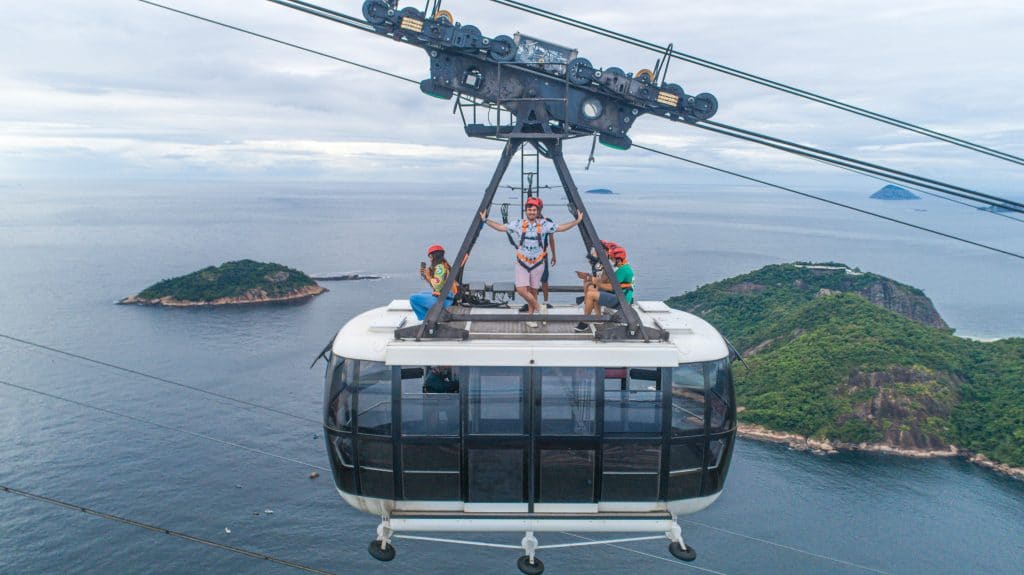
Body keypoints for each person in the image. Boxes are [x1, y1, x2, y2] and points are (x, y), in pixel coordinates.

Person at [480, 197, 582, 327]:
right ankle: (540, 309)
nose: (532, 212)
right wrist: (485, 220)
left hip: (538, 263)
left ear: (538, 211)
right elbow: (501, 227)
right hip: (522, 262)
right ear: (526, 210)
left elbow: (561, 228)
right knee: (522, 290)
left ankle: (531, 317)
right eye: (529, 209)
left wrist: (577, 221)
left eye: (534, 210)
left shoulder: (545, 224)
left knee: (533, 291)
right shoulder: (518, 224)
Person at [575, 246, 634, 332]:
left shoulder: (623, 270)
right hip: (619, 294)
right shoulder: (623, 267)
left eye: (613, 258)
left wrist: (596, 282)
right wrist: (591, 278)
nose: (611, 260)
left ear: (618, 259)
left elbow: (611, 286)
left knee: (591, 294)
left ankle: (584, 321)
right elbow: (608, 281)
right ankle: (599, 318)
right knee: (593, 289)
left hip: (621, 299)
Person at [409, 244, 458, 320]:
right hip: (447, 296)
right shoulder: (444, 265)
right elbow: (438, 287)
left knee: (413, 298)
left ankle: (426, 319)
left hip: (444, 300)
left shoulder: (439, 268)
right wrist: (426, 277)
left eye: (430, 257)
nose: (430, 259)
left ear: (433, 256)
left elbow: (437, 286)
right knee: (421, 293)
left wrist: (428, 276)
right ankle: (429, 316)